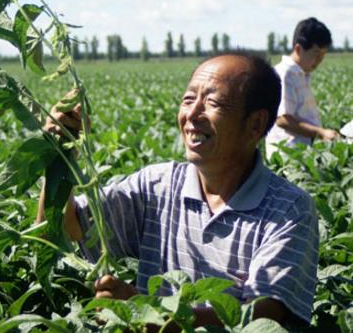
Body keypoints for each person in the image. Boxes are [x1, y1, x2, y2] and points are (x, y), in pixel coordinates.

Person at [38, 53, 319, 329]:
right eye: (188, 99)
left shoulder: (289, 210)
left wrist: (148, 314)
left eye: (212, 102)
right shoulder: (157, 186)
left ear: (255, 124)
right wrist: (59, 158)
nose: (192, 114)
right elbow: (60, 230)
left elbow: (263, 319)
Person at [265, 17, 339, 158]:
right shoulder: (285, 74)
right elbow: (282, 119)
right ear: (298, 49)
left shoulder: (301, 73)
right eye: (316, 54)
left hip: (302, 154)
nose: (319, 61)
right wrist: (321, 132)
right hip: (288, 157)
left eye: (323, 55)